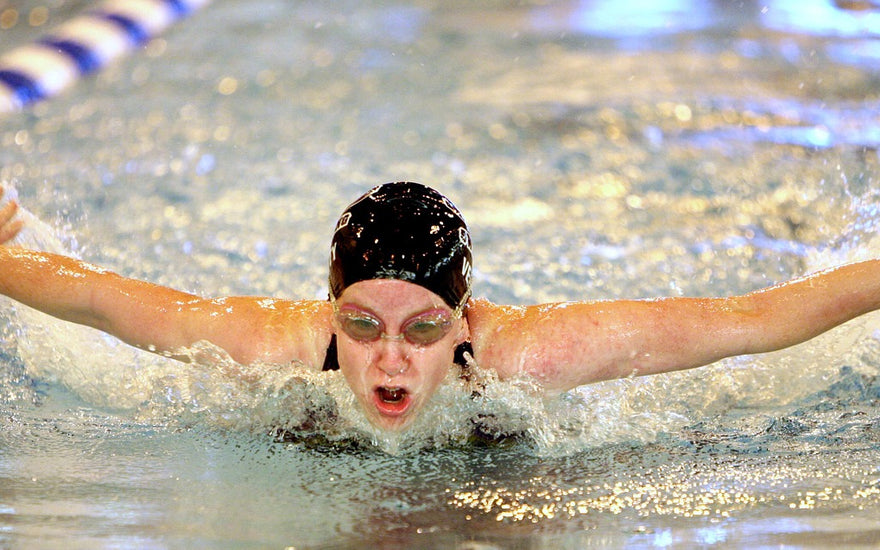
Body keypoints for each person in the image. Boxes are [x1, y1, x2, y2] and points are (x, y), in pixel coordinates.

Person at [1, 181, 879, 432]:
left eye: (423, 329)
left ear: (463, 320)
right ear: (330, 311)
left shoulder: (526, 356)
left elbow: (750, 322)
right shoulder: (272, 344)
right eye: (361, 326)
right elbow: (98, 300)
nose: (390, 358)